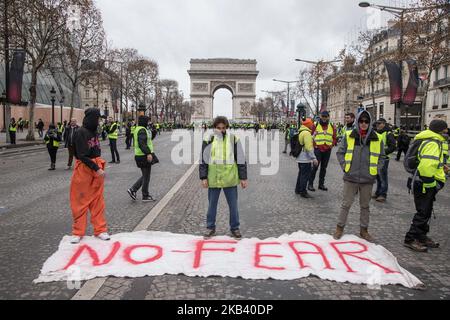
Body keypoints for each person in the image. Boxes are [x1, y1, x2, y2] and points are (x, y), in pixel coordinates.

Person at [334, 111, 384, 242]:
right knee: (346, 204)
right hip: (351, 176)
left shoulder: (377, 138)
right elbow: (340, 152)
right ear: (357, 122)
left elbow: (382, 157)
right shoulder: (349, 135)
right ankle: (339, 228)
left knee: (365, 206)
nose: (363, 124)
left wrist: (376, 170)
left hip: (368, 178)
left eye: (366, 121)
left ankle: (364, 230)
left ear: (370, 122)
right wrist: (345, 167)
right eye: (361, 121)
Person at [200, 116, 248, 240]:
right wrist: (203, 177)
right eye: (218, 128)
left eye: (223, 128)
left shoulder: (233, 139)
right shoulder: (208, 139)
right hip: (214, 177)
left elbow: (241, 158)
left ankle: (235, 228)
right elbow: (203, 160)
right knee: (212, 205)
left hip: (229, 177)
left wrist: (243, 178)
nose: (221, 130)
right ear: (214, 128)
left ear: (227, 127)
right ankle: (210, 227)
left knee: (233, 206)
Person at [404, 120, 449, 252]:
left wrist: (442, 167)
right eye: (446, 129)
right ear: (440, 130)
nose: (447, 132)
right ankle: (410, 239)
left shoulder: (432, 140)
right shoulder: (433, 142)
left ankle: (421, 236)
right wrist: (431, 185)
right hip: (425, 183)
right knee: (423, 212)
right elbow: (426, 167)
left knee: (427, 211)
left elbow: (431, 163)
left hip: (423, 182)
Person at [70, 108, 110, 244]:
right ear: (93, 118)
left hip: (95, 165)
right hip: (84, 168)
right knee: (80, 201)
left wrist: (97, 167)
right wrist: (96, 168)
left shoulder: (94, 131)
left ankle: (100, 230)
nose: (99, 121)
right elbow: (81, 155)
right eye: (98, 118)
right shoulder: (80, 132)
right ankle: (78, 232)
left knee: (97, 201)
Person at [127, 116, 156, 202]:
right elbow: (142, 143)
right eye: (148, 121)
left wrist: (153, 131)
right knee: (146, 176)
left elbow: (149, 139)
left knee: (145, 175)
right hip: (143, 155)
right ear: (144, 122)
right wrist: (148, 153)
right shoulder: (142, 130)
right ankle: (145, 195)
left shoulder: (140, 129)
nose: (148, 123)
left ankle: (133, 190)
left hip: (140, 155)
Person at [308, 111, 337, 192]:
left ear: (328, 117)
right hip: (318, 149)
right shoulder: (315, 124)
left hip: (327, 150)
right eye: (323, 116)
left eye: (326, 116)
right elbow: (312, 136)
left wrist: (331, 145)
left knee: (324, 168)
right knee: (315, 167)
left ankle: (321, 184)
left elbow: (334, 137)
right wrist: (315, 145)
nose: (324, 118)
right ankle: (310, 184)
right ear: (320, 116)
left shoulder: (332, 125)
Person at [373, 118, 397, 202]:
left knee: (383, 176)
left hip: (384, 158)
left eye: (379, 123)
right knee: (378, 176)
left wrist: (383, 153)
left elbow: (393, 146)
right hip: (376, 158)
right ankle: (378, 192)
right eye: (376, 124)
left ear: (383, 124)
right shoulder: (377, 132)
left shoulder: (388, 133)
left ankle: (383, 194)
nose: (377, 125)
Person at [295, 118, 319, 198]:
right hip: (305, 158)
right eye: (311, 124)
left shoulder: (302, 131)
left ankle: (298, 189)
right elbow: (309, 147)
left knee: (301, 174)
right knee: (305, 175)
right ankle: (303, 192)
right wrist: (314, 158)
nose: (312, 125)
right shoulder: (307, 133)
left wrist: (313, 135)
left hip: (300, 157)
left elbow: (305, 142)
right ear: (308, 124)